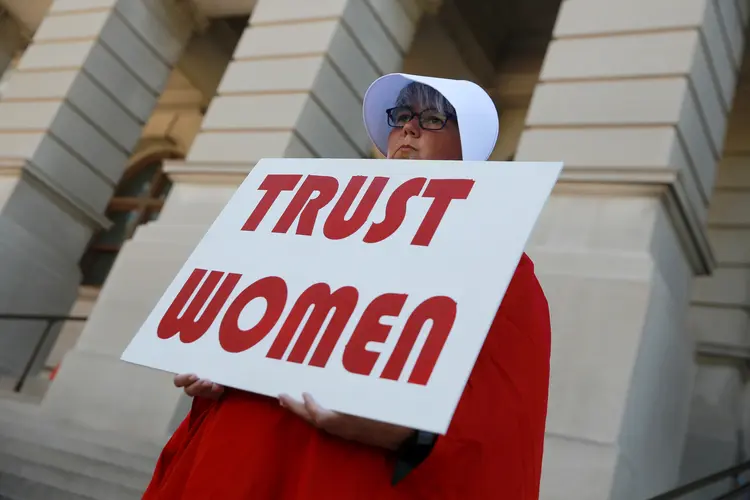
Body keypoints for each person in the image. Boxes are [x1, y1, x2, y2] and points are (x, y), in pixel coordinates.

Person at [142, 73, 551, 500]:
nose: (408, 128)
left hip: (341, 475)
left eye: (432, 118)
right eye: (402, 116)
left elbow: (504, 421)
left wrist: (410, 434)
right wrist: (221, 368)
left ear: (469, 148)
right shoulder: (311, 227)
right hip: (230, 461)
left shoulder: (502, 263)